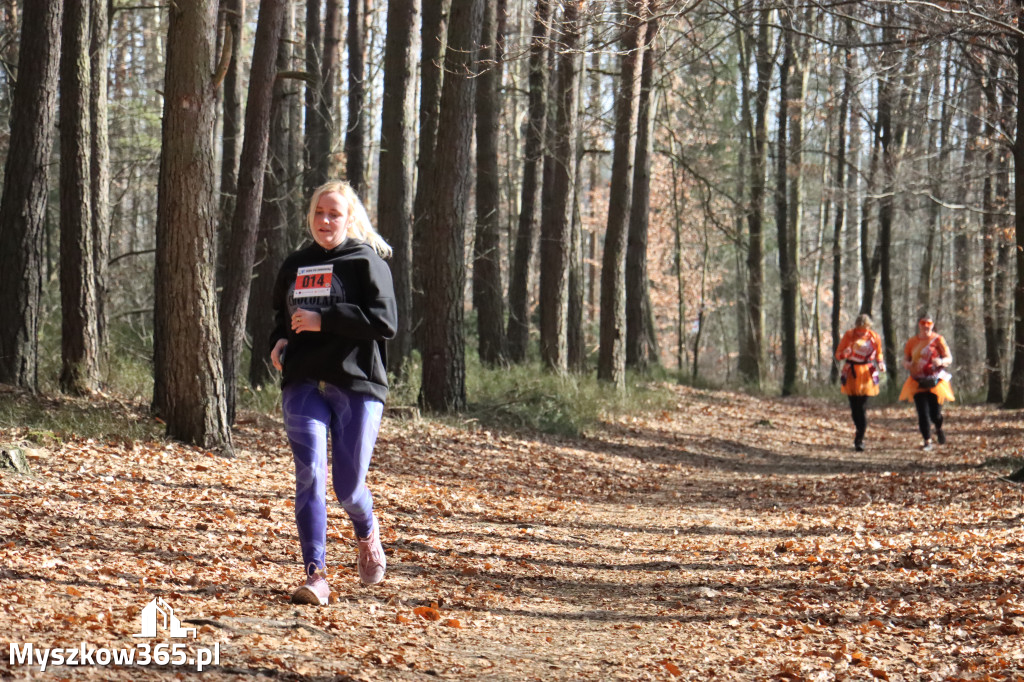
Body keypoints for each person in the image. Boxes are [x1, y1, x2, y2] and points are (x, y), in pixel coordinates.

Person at [269, 180, 397, 605]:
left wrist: (324, 320)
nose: (326, 220)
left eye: (334, 214)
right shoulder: (296, 263)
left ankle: (367, 530)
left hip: (356, 381)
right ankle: (315, 574)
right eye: (319, 212)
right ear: (311, 215)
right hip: (303, 378)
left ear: (349, 218)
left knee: (347, 487)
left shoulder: (365, 262)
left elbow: (385, 322)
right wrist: (279, 340)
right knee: (309, 475)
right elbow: (280, 315)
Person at [898, 314, 954, 451]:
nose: (926, 327)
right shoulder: (912, 342)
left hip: (936, 381)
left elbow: (949, 358)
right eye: (923, 324)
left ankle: (939, 427)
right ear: (919, 325)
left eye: (929, 324)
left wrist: (940, 361)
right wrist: (908, 364)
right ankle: (927, 441)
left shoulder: (938, 340)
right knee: (923, 413)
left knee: (935, 414)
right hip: (917, 382)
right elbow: (905, 360)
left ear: (932, 325)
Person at [835, 314, 886, 451]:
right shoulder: (849, 335)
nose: (861, 333)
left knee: (862, 407)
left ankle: (860, 438)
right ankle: (858, 429)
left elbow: (879, 353)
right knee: (854, 408)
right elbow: (838, 355)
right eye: (859, 330)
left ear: (869, 328)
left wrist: (880, 362)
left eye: (864, 330)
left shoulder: (874, 337)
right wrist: (845, 353)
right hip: (851, 372)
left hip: (867, 372)